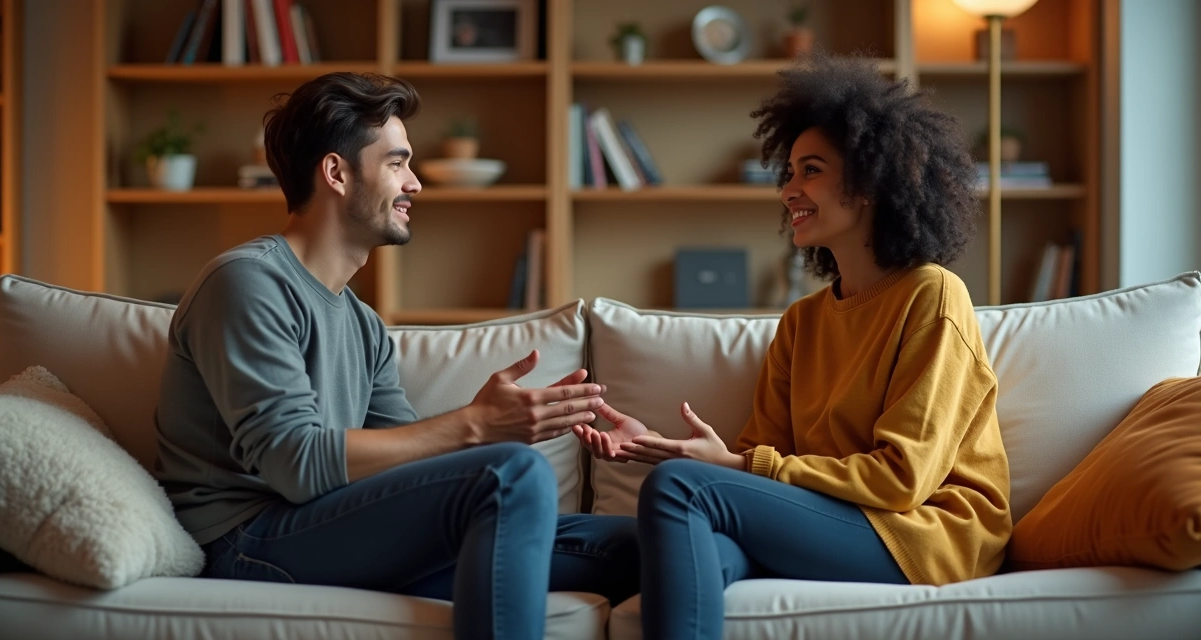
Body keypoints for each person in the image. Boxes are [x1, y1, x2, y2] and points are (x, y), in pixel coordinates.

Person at [153, 72, 638, 640]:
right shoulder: (247, 283)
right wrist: (473, 429)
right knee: (515, 474)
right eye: (397, 163)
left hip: (332, 525)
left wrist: (490, 428)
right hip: (247, 538)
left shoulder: (363, 324)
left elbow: (410, 466)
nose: (416, 184)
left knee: (638, 539)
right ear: (336, 173)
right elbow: (294, 463)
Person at [573, 54, 1012, 639]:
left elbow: (903, 480)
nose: (788, 190)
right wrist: (665, 447)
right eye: (788, 172)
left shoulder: (930, 295)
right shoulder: (803, 322)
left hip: (922, 535)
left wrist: (721, 468)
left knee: (679, 492)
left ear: (869, 183)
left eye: (810, 171)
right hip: (836, 523)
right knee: (638, 536)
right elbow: (757, 465)